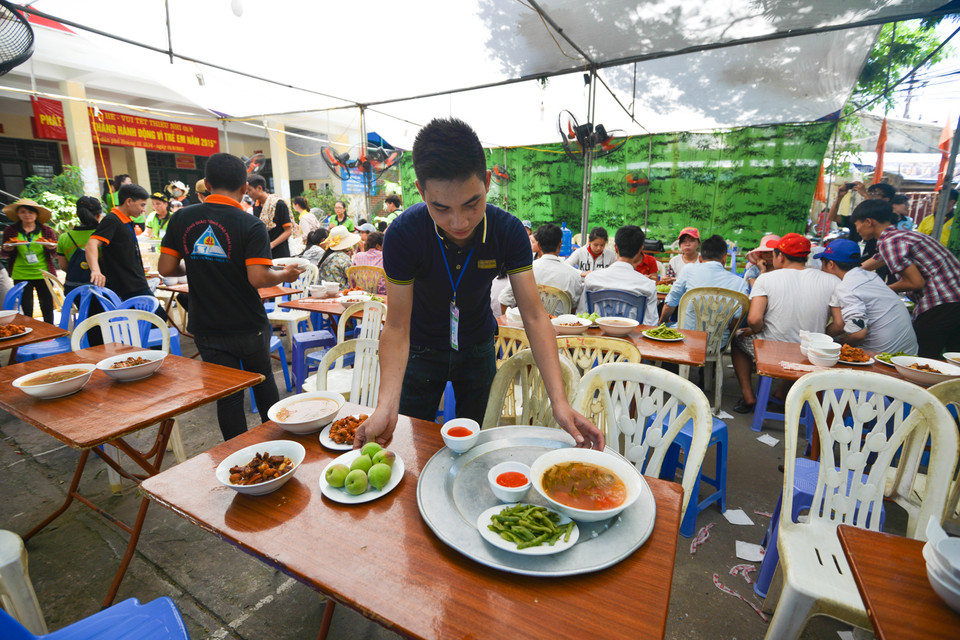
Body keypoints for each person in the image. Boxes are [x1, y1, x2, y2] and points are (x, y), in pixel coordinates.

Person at [356, 117, 602, 451]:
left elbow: (534, 316)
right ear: (421, 192)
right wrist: (386, 405)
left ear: (487, 182)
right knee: (412, 441)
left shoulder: (508, 232)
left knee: (478, 444)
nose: (459, 221)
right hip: (419, 348)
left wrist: (559, 402)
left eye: (472, 203)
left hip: (477, 346)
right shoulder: (403, 234)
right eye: (441, 208)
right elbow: (397, 326)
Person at [158, 153, 304, 441]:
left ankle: (237, 454)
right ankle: (278, 448)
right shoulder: (250, 224)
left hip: (207, 326)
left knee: (227, 394)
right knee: (262, 382)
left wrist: (195, 262)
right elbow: (258, 277)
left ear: (208, 184)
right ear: (243, 187)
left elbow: (166, 268)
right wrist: (285, 275)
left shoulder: (181, 218)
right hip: (246, 322)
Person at [731, 233, 839, 413]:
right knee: (797, 345)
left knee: (737, 339)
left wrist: (754, 330)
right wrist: (819, 336)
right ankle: (781, 393)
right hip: (810, 352)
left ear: (780, 256)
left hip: (772, 351)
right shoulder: (831, 280)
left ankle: (748, 395)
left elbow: (754, 319)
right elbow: (840, 324)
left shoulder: (765, 279)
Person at [849, 199, 960, 358]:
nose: (857, 230)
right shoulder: (900, 236)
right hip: (954, 301)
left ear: (868, 222)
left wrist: (880, 291)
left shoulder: (891, 242)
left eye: (857, 224)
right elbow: (872, 262)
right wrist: (847, 275)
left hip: (942, 301)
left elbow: (915, 283)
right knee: (954, 358)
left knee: (922, 358)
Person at [817, 239, 918, 355]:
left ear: (831, 264)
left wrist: (843, 343)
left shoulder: (846, 287)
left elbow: (858, 334)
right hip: (909, 353)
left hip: (882, 357)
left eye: (822, 263)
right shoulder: (871, 276)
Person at [659, 235, 749, 344]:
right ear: (724, 259)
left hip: (684, 339)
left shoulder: (689, 270)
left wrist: (662, 322)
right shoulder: (740, 283)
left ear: (700, 258)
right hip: (718, 344)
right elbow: (738, 317)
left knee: (667, 326)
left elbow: (671, 301)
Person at [86, 183, 157, 303]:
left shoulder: (127, 220)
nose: (143, 210)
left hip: (136, 282)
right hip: (127, 285)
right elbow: (91, 244)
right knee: (156, 313)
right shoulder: (112, 220)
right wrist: (95, 271)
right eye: (142, 205)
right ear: (128, 201)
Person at [578, 225, 659, 325]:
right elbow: (651, 324)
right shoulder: (648, 285)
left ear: (615, 248)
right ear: (640, 250)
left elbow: (581, 315)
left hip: (598, 334)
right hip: (632, 335)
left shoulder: (591, 279)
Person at [499, 223, 583, 313]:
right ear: (560, 244)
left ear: (538, 246)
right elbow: (573, 309)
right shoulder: (574, 276)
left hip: (528, 322)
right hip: (560, 322)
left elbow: (504, 299)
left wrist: (510, 319)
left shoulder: (524, 270)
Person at [1, 198, 58, 323]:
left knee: (47, 306)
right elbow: (4, 254)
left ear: (36, 215)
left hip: (43, 273)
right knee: (26, 307)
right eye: (23, 212)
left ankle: (50, 330)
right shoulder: (11, 231)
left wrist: (51, 248)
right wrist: (7, 249)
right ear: (18, 214)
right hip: (21, 273)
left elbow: (55, 253)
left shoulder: (46, 231)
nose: (27, 215)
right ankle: (30, 330)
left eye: (31, 212)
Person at [56, 196, 103, 295]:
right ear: (99, 215)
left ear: (77, 214)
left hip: (75, 292)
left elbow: (63, 266)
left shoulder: (64, 237)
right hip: (102, 289)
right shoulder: (104, 235)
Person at [246, 174, 293, 258]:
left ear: (259, 188)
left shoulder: (278, 204)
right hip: (264, 253)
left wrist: (271, 245)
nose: (248, 194)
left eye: (249, 190)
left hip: (280, 253)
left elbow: (288, 231)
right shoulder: (256, 206)